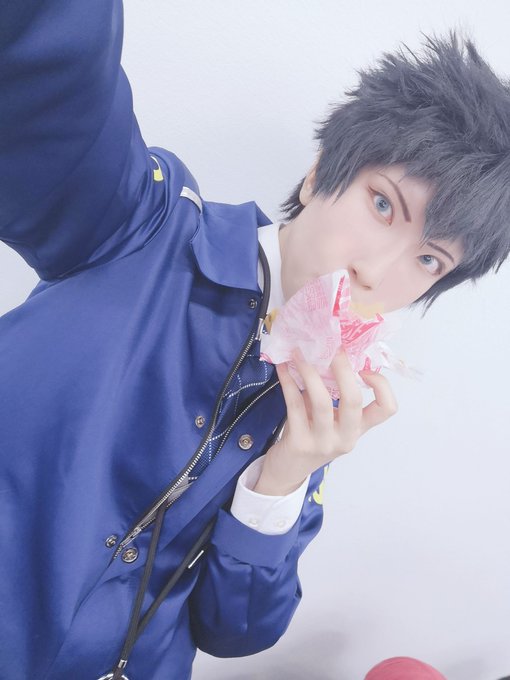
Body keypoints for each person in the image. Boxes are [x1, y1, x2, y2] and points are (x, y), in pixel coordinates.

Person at [1, 2, 509, 679]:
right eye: (384, 203)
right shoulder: (144, 226)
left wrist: (285, 476)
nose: (377, 271)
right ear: (319, 172)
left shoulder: (315, 414)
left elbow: (234, 633)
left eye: (428, 259)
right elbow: (49, 84)